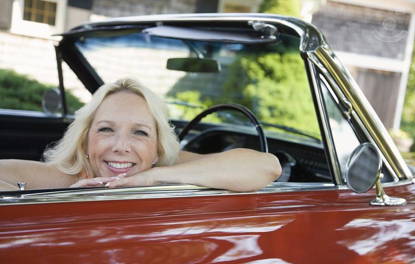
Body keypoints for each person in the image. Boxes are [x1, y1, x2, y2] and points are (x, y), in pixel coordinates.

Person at [0, 78, 281, 192]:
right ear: (85, 139)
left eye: (140, 132)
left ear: (158, 147)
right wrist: (65, 204)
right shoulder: (64, 178)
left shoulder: (164, 164)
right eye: (106, 129)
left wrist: (151, 177)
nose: (121, 146)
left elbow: (267, 167)